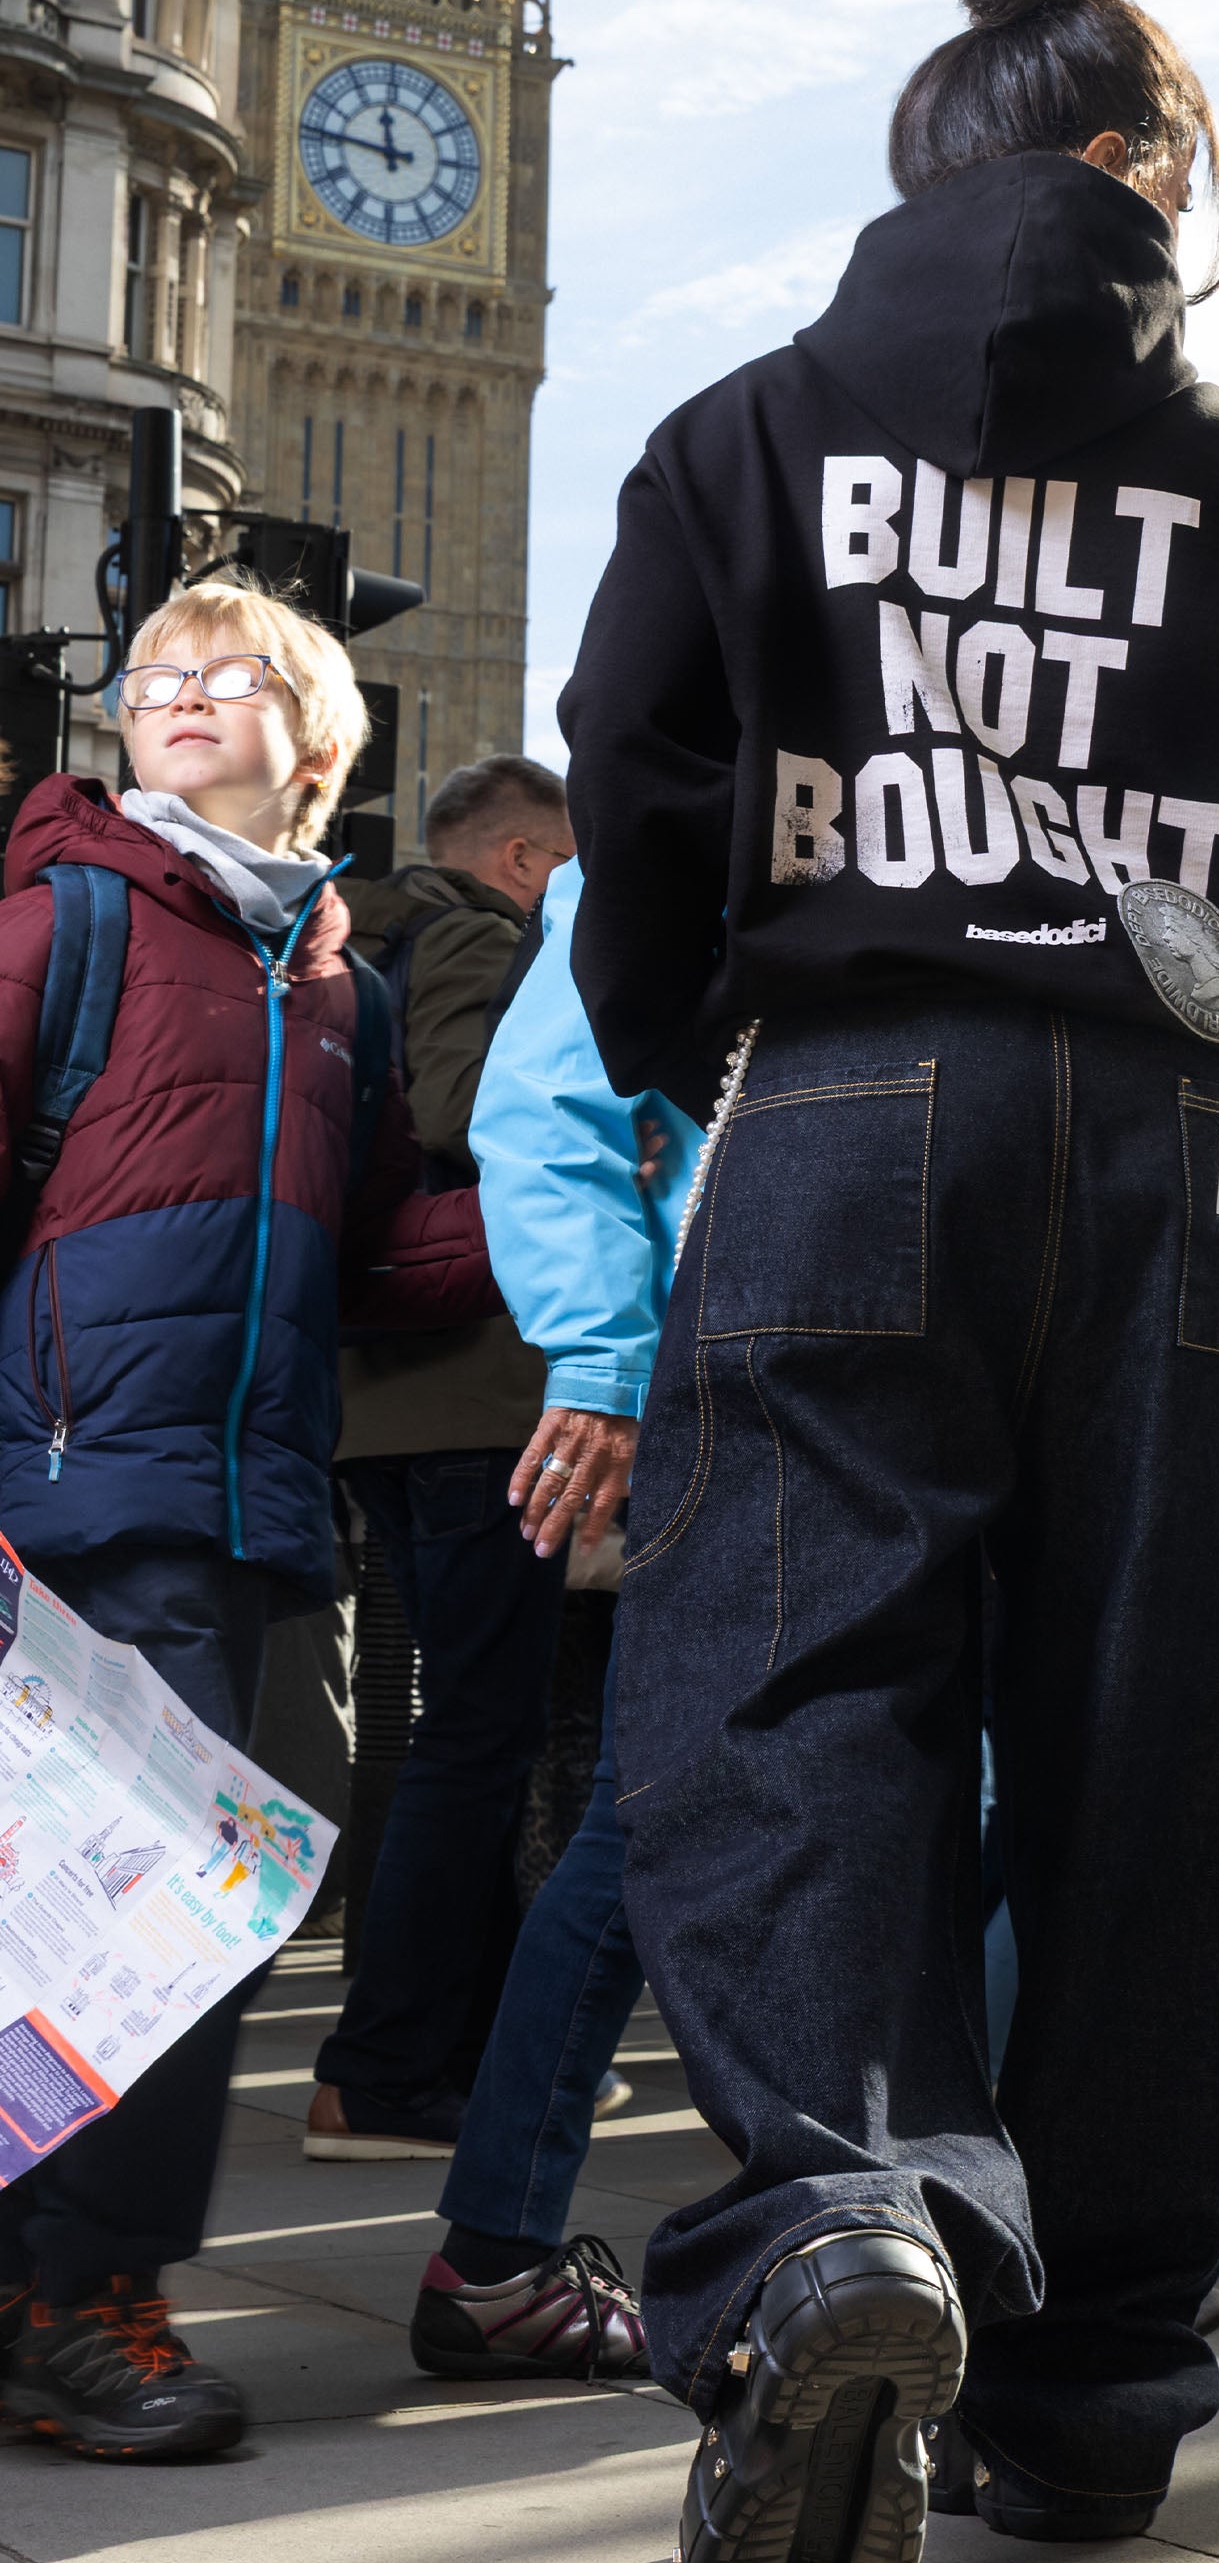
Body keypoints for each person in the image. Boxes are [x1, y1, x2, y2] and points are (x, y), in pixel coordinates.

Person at [558, 0, 1219, 2563]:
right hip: (1192, 1167)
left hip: (853, 1102)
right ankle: (1096, 2389)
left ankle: (856, 2221)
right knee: (1158, 1764)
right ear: (1151, 180)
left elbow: (631, 798)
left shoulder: (739, 438)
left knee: (786, 1692)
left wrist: (699, 1048)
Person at [0, 581, 494, 2460]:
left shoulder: (330, 982)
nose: (182, 698)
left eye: (232, 675)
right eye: (155, 681)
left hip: (234, 1499)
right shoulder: (78, 917)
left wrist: (540, 1220)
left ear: (322, 735)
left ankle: (42, 2291)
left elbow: (367, 1259)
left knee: (118, 1919)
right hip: (70, 1482)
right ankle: (87, 2300)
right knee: (158, 1920)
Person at [406, 857, 704, 2373]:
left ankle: (502, 2247)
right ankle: (501, 2248)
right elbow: (550, 1111)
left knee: (654, 1816)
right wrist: (606, 1362)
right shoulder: (694, 808)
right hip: (745, 1392)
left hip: (914, 1389)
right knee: (646, 1815)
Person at [308, 754, 578, 2160]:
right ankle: (386, 2064)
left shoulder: (363, 938)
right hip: (474, 1391)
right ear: (527, 857)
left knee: (467, 1733)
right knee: (478, 1740)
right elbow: (464, 1113)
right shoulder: (483, 934)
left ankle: (464, 2049)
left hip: (385, 1389)